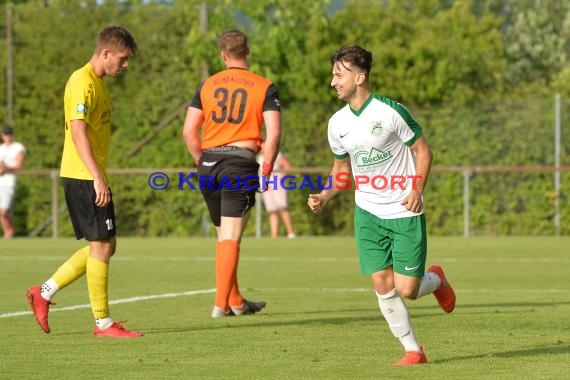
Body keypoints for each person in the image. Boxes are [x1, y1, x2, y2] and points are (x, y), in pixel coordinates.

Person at [307, 46, 456, 366]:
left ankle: (436, 280)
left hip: (404, 210)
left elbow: (424, 152)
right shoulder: (336, 123)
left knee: (408, 289)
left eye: (338, 75)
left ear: (359, 77)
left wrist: (416, 190)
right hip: (368, 213)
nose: (332, 81)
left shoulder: (391, 112)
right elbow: (341, 173)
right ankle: (413, 351)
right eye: (333, 74)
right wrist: (325, 195)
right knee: (381, 282)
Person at [25, 25, 141, 338]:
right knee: (101, 246)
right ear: (106, 53)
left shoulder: (100, 85)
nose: (126, 65)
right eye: (123, 58)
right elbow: (77, 133)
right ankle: (103, 323)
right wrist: (98, 177)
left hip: (90, 175)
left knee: (106, 245)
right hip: (83, 175)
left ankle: (44, 291)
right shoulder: (81, 81)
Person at [183, 29, 281, 318]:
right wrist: (266, 168)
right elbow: (273, 134)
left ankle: (235, 301)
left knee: (224, 237)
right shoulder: (264, 86)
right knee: (231, 237)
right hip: (239, 164)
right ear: (246, 52)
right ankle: (219, 305)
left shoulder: (207, 85)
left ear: (223, 55)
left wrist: (201, 160)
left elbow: (189, 132)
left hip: (209, 163)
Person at [258, 148, 296, 238]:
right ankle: (274, 236)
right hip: (266, 185)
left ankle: (291, 233)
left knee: (283, 208)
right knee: (272, 210)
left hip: (277, 183)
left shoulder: (275, 154)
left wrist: (282, 176)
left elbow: (287, 165)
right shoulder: (260, 157)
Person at [0, 125, 26, 239]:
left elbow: (18, 166)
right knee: (1, 212)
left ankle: (9, 231)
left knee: (4, 211)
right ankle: (8, 233)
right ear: (2, 135)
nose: (7, 136)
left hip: (9, 183)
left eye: (9, 134)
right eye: (6, 134)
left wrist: (5, 169)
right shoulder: (1, 148)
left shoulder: (17, 147)